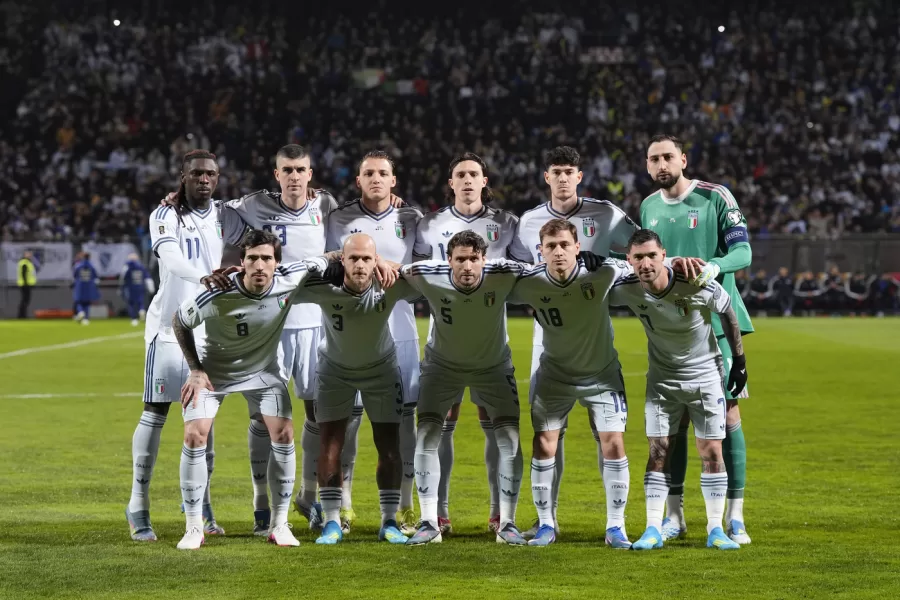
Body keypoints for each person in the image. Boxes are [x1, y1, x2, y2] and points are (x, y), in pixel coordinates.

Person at [164, 143, 403, 534]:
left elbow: (356, 230)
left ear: (311, 174)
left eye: (301, 169)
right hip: (270, 323)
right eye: (287, 169)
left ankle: (312, 495)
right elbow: (209, 203)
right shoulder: (252, 205)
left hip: (313, 320)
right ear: (277, 175)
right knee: (264, 415)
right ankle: (262, 501)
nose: (294, 176)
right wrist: (178, 197)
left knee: (319, 415)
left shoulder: (325, 205)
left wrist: (389, 201)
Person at [508, 145, 639, 539]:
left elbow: (639, 250)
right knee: (549, 434)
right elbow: (515, 267)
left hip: (593, 323)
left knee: (608, 437)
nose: (563, 178)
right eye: (556, 172)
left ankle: (615, 524)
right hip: (546, 332)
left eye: (569, 171)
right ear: (545, 177)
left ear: (579, 176)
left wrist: (613, 266)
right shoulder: (529, 221)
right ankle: (548, 518)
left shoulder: (606, 214)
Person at [172, 229, 326, 550]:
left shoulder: (289, 279)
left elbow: (332, 258)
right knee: (194, 435)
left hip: (263, 372)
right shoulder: (219, 291)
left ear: (277, 263)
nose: (259, 265)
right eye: (252, 258)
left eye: (266, 258)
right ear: (241, 263)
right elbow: (180, 321)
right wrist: (196, 370)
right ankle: (193, 527)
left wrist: (374, 261)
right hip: (216, 372)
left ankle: (279, 524)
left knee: (283, 432)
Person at [125, 149, 248, 542]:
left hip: (206, 330)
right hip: (166, 329)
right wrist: (206, 277)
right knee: (155, 413)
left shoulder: (225, 213)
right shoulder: (164, 214)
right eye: (196, 173)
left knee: (204, 422)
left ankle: (202, 504)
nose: (204, 180)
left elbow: (268, 208)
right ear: (183, 175)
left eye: (211, 173)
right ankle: (137, 505)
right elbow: (172, 259)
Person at [641, 134, 754, 544]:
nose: (660, 164)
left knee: (726, 419)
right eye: (653, 159)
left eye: (667, 156)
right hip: (673, 326)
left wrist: (710, 268)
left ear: (683, 159)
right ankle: (674, 516)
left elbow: (743, 255)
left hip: (719, 322)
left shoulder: (716, 196)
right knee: (675, 420)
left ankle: (735, 516)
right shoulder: (648, 207)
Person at [610, 230, 745, 551]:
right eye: (638, 257)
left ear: (663, 255)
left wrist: (739, 361)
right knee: (658, 452)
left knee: (711, 451)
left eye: (651, 256)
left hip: (706, 376)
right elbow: (596, 272)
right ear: (628, 261)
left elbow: (727, 310)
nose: (645, 263)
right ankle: (653, 528)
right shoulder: (625, 286)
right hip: (662, 379)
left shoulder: (693, 280)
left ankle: (716, 529)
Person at [291, 233, 420, 545]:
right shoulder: (324, 287)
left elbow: (425, 277)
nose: (361, 264)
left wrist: (392, 265)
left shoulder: (390, 284)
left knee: (389, 446)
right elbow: (286, 280)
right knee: (331, 445)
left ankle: (389, 521)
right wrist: (330, 255)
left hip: (382, 371)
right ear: (343, 261)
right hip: (335, 372)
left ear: (375, 261)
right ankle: (332, 522)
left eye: (367, 258)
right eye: (354, 258)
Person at [414, 152, 519, 534]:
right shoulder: (430, 224)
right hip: (443, 341)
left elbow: (525, 273)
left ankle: (499, 515)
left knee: (496, 427)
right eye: (461, 174)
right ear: (451, 182)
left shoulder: (507, 223)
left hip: (491, 340)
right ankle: (436, 514)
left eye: (475, 174)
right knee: (441, 426)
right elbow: (413, 273)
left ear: (485, 180)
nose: (468, 180)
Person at [401, 231, 527, 546]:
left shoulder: (505, 273)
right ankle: (429, 522)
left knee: (509, 438)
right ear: (449, 261)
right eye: (461, 259)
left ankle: (507, 523)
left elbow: (545, 269)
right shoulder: (427, 274)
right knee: (428, 434)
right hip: (442, 368)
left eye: (474, 259)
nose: (468, 266)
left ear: (485, 259)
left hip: (494, 367)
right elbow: (395, 269)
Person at [325, 150, 426, 535]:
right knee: (348, 422)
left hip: (401, 331)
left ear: (393, 180)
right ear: (358, 179)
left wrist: (391, 264)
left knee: (404, 424)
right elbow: (327, 259)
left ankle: (404, 507)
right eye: (369, 173)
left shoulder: (410, 218)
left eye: (383, 173)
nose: (376, 179)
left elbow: (426, 268)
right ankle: (345, 506)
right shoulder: (339, 217)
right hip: (354, 330)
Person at [120, 253, 154, 326]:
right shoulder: (141, 267)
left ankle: (134, 319)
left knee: (131, 303)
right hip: (140, 287)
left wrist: (121, 287)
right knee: (140, 301)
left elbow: (123, 277)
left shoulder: (127, 266)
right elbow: (147, 277)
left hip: (130, 288)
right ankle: (141, 310)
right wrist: (151, 288)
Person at [72, 252, 100, 325]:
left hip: (80, 286)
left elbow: (74, 275)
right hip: (89, 286)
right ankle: (86, 319)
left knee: (79, 301)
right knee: (87, 303)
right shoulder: (92, 266)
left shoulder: (78, 266)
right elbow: (95, 277)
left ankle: (80, 312)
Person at [17, 251, 37, 319]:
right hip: (25, 284)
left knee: (25, 300)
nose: (30, 255)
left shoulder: (26, 262)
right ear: (25, 255)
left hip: (25, 284)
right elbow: (24, 274)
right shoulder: (25, 263)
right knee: (25, 300)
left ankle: (22, 315)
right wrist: (26, 283)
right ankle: (22, 315)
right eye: (28, 254)